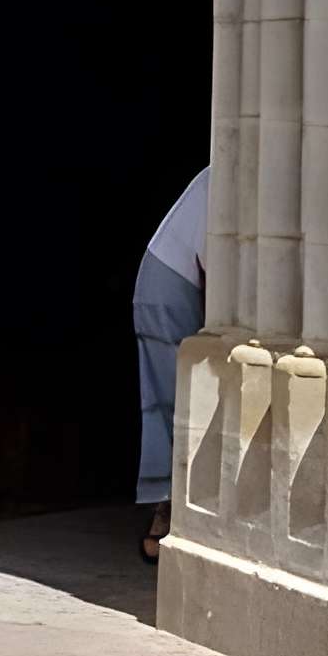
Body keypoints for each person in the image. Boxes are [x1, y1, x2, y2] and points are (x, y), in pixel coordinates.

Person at [134, 162, 208, 562]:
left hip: (179, 286)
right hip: (170, 289)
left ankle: (174, 507)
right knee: (173, 404)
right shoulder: (224, 176)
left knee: (178, 403)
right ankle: (166, 508)